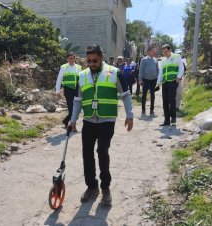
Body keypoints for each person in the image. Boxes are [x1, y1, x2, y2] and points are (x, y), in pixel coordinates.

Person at [69, 45, 133, 206]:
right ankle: (92, 187)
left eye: (94, 61)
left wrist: (129, 115)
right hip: (89, 120)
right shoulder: (82, 76)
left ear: (102, 58)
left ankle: (105, 188)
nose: (91, 64)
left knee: (102, 151)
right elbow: (77, 101)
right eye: (88, 61)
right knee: (87, 154)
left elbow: (125, 95)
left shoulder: (114, 72)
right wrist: (73, 119)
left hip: (107, 120)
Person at [156, 44, 184, 126]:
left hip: (173, 81)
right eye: (163, 52)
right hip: (165, 82)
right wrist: (158, 83)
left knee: (172, 99)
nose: (165, 53)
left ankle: (173, 117)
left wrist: (178, 77)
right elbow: (161, 73)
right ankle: (166, 120)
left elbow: (181, 67)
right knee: (165, 101)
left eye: (166, 51)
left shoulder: (177, 56)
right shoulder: (164, 61)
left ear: (170, 50)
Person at [55, 52, 82, 131]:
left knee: (76, 108)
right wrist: (57, 91)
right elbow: (59, 79)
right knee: (71, 108)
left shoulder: (78, 67)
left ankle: (66, 121)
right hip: (68, 89)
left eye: (72, 58)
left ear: (75, 59)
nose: (71, 60)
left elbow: (81, 79)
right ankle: (72, 125)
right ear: (67, 59)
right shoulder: (64, 67)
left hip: (77, 89)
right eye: (69, 58)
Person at [138, 47, 159, 115]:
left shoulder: (156, 60)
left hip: (154, 80)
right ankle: (143, 109)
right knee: (144, 94)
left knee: (152, 94)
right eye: (153, 51)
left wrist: (157, 77)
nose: (154, 52)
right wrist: (140, 79)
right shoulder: (144, 60)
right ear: (149, 52)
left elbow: (157, 69)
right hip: (145, 80)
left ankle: (151, 110)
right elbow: (141, 70)